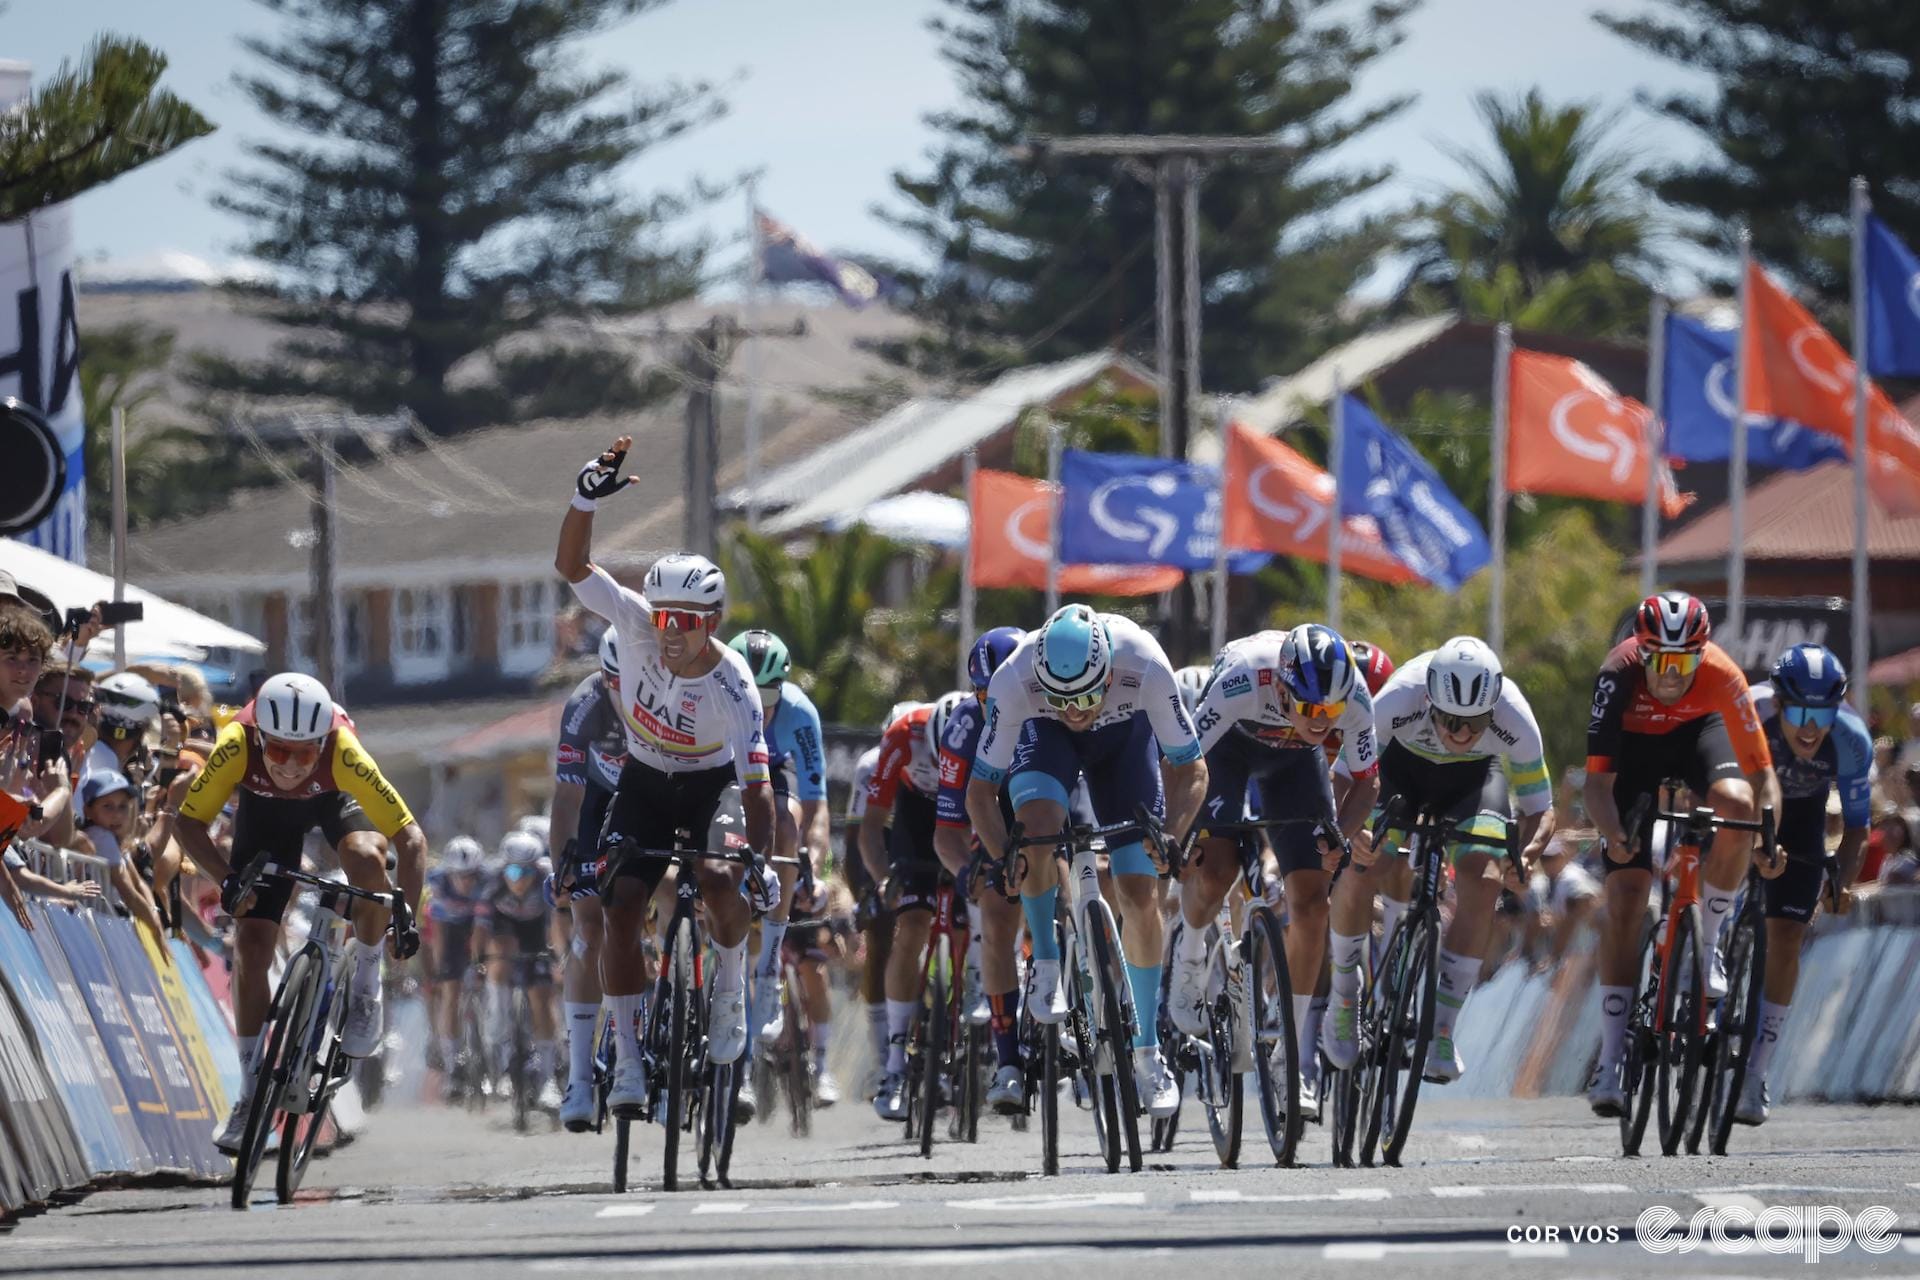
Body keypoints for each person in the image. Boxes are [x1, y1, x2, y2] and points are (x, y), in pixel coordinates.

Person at [555, 436, 778, 1118]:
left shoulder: (732, 684)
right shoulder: (638, 626)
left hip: (715, 788)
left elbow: (759, 785)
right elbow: (573, 566)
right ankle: (625, 1062)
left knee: (716, 879)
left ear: (713, 622)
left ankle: (731, 992)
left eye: (687, 622)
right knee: (621, 908)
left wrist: (759, 862)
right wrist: (582, 499)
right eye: (664, 618)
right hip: (647, 784)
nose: (671, 632)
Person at [966, 604, 1208, 1119]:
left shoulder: (1144, 661)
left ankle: (1147, 1050)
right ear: (1040, 681)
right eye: (1062, 699)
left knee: (1141, 894)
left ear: (1109, 671)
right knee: (1034, 830)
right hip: (1045, 743)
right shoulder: (1016, 678)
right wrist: (1001, 859)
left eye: (1087, 696)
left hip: (1124, 744)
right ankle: (1046, 964)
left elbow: (1193, 770)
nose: (1076, 711)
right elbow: (980, 794)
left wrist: (1170, 838)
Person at [175, 672, 428, 1154]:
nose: (291, 765)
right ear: (259, 738)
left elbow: (410, 839)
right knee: (251, 945)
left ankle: (365, 985)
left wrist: (405, 915)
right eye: (279, 751)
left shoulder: (343, 751)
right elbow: (187, 823)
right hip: (265, 815)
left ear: (322, 743)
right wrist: (227, 879)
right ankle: (250, 1096)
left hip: (333, 800)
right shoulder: (236, 744)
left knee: (368, 858)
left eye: (304, 753)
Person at [1581, 592, 1779, 1117]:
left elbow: (1763, 779)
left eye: (1683, 661)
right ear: (1640, 652)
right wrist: (1615, 835)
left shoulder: (1722, 673)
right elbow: (1597, 789)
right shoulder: (1618, 673)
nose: (1670, 673)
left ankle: (1707, 942)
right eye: (1659, 660)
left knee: (1738, 806)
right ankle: (1613, 1052)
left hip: (1698, 735)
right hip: (1633, 749)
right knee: (1626, 895)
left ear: (1702, 652)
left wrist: (1769, 835)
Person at [1324, 637, 1555, 1082]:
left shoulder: (1515, 716)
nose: (1463, 733)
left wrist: (1524, 854)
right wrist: (1354, 832)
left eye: (1476, 722)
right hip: (1398, 771)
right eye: (1451, 720)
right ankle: (1345, 996)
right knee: (1369, 861)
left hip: (1472, 781)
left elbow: (1538, 808)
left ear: (1494, 706)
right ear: (1430, 699)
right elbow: (1342, 780)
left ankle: (1442, 1029)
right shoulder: (1397, 698)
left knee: (1484, 876)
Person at [1173, 624, 1377, 1116]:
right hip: (1225, 750)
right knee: (1216, 870)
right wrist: (1176, 832)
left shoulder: (1353, 698)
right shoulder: (1244, 678)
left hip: (1294, 765)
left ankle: (1292, 1057)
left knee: (1311, 903)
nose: (1321, 720)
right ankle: (1191, 953)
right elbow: (1184, 761)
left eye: (1330, 712)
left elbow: (1367, 786)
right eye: (1310, 708)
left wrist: (1340, 835)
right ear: (1281, 688)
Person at [1734, 644, 1871, 1125]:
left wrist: (1841, 882)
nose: (1810, 727)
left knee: (1788, 936)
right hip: (1744, 799)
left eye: (1821, 713)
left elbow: (1857, 829)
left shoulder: (1852, 740)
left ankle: (1757, 1072)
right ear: (1777, 703)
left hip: (1804, 816)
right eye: (1798, 711)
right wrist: (1754, 846)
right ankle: (1705, 955)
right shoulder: (1750, 712)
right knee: (1728, 857)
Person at [729, 629, 838, 1107]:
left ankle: (770, 963)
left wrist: (812, 857)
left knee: (787, 828)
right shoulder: (713, 700)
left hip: (773, 774)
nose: (763, 707)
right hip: (726, 773)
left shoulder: (798, 713)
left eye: (769, 696)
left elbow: (814, 803)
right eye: (753, 696)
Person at [934, 626, 1029, 1113]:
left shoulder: (1050, 704)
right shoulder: (967, 726)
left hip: (1046, 800)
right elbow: (947, 832)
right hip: (991, 813)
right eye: (983, 694)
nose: (994, 704)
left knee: (1075, 878)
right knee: (994, 911)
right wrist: (971, 869)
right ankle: (1009, 1059)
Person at [550, 628, 626, 1130]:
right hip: (597, 804)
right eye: (614, 680)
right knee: (589, 929)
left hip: (652, 800)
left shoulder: (672, 691)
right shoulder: (585, 706)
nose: (625, 690)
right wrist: (564, 867)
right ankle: (579, 1078)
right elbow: (566, 800)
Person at [858, 699, 944, 1121]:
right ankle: (894, 1063)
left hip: (967, 811)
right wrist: (884, 880)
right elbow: (871, 827)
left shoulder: (979, 734)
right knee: (910, 927)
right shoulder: (901, 737)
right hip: (916, 818)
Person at [478, 829, 559, 1107]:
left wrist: (557, 956)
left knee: (541, 996)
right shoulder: (491, 879)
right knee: (498, 957)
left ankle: (548, 1078)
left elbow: (555, 924)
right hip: (505, 928)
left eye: (527, 872)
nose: (520, 879)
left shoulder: (547, 877)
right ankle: (500, 1059)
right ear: (504, 868)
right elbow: (481, 927)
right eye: (513, 872)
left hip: (536, 930)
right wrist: (479, 961)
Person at [425, 835, 488, 1097]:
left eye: (471, 875)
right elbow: (437, 932)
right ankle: (452, 1065)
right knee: (450, 993)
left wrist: (481, 961)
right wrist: (440, 970)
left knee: (489, 981)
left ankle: (490, 1055)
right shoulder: (437, 882)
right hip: (449, 931)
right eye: (459, 876)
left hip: (479, 928)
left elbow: (485, 928)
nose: (465, 881)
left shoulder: (488, 879)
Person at [78, 769, 168, 940]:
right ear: (87, 810)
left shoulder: (113, 838)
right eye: (107, 806)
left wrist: (153, 912)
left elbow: (138, 883)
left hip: (106, 921)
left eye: (123, 806)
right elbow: (128, 892)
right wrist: (155, 928)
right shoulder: (100, 836)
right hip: (99, 926)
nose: (117, 815)